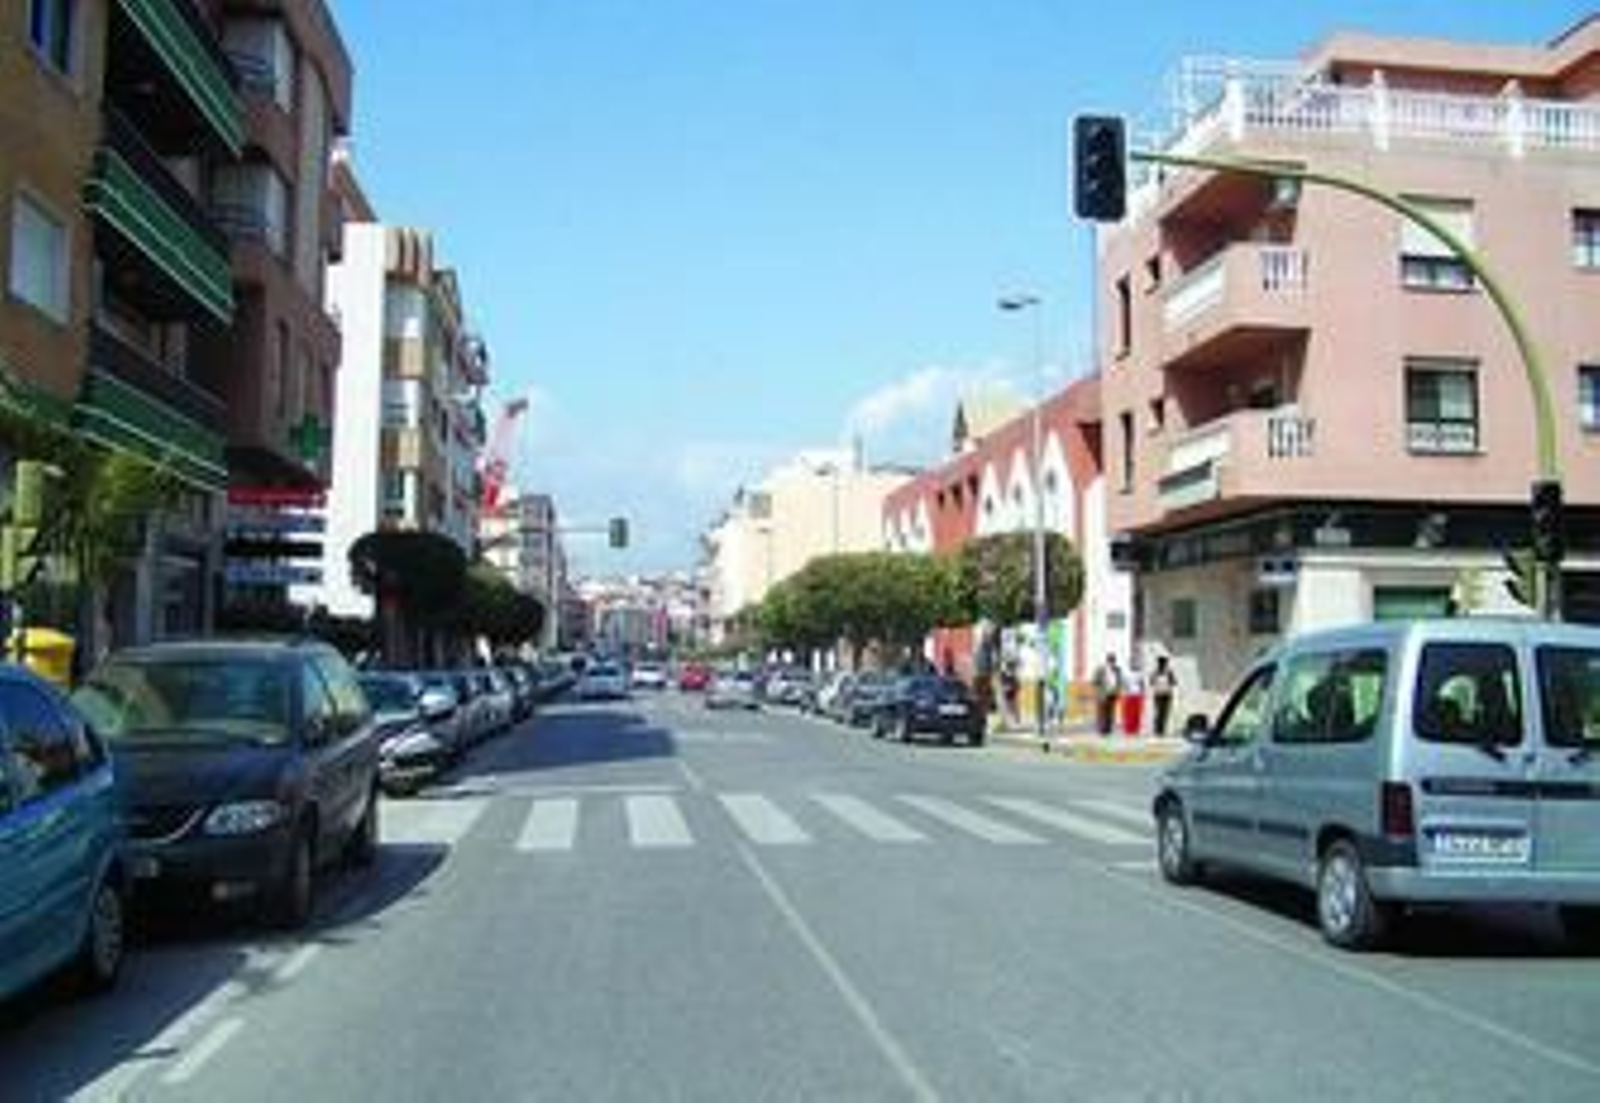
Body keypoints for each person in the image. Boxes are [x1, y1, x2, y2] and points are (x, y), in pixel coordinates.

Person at [1092, 654, 1122, 737]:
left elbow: (1119, 681)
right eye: (1111, 661)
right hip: (1103, 693)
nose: (1112, 663)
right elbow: (1094, 681)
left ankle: (1108, 729)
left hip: (1113, 693)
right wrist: (1100, 688)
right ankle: (1102, 730)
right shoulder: (1100, 669)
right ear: (1107, 661)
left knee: (1111, 712)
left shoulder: (1117, 670)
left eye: (1113, 661)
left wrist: (1118, 690)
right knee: (1102, 712)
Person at [1150, 654, 1178, 737]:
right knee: (1158, 712)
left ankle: (1162, 730)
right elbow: (1151, 682)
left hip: (1167, 694)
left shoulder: (1169, 673)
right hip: (1158, 694)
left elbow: (1174, 682)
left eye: (1164, 663)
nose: (1163, 665)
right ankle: (1157, 730)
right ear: (1159, 664)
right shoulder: (1155, 673)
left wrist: (1170, 680)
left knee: (1165, 713)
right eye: (1161, 663)